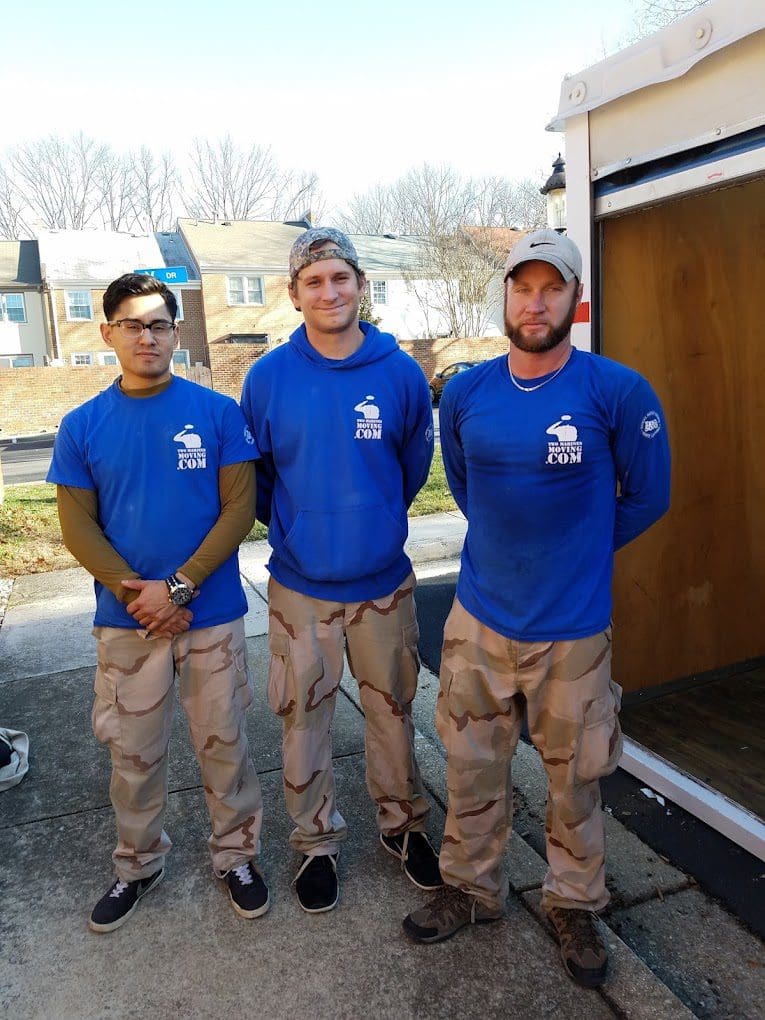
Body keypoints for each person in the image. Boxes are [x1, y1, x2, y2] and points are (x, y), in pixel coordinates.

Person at [402, 229, 671, 988]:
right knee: (468, 764)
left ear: (574, 301)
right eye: (521, 287)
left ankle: (574, 902)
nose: (534, 301)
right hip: (478, 621)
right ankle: (470, 888)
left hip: (572, 634)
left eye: (550, 287)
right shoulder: (466, 392)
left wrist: (581, 548)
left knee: (574, 776)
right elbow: (464, 485)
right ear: (506, 299)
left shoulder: (614, 390)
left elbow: (648, 495)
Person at [47, 273, 268, 932]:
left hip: (211, 616)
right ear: (108, 332)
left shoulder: (217, 413)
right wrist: (136, 593)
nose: (148, 336)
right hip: (126, 625)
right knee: (133, 756)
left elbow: (239, 510)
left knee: (224, 745)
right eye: (134, 324)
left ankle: (236, 857)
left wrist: (178, 588)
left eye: (160, 324)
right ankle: (136, 865)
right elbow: (77, 525)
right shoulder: (83, 425)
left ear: (176, 332)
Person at [240, 227, 440, 913]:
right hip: (301, 590)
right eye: (313, 281)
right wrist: (306, 531)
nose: (328, 291)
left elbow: (410, 467)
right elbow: (259, 480)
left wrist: (374, 523)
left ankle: (403, 825)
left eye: (340, 278)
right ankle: (315, 844)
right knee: (303, 719)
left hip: (382, 585)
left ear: (359, 284)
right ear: (295, 294)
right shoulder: (267, 377)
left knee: (392, 713)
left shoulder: (399, 371)